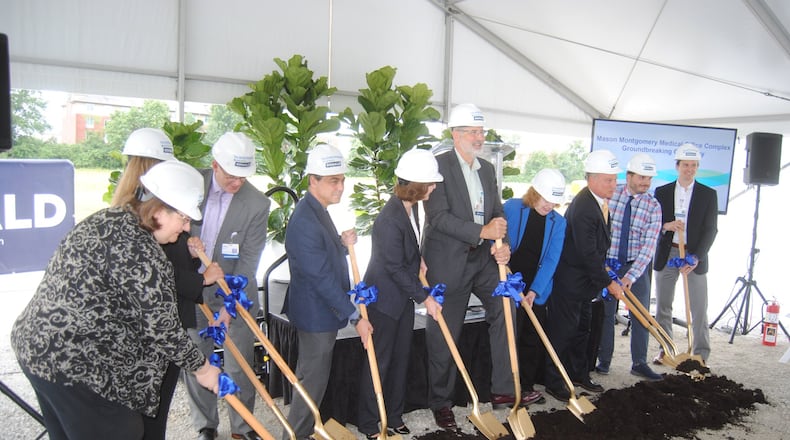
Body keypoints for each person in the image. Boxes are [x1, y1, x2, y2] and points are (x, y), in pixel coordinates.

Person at [11, 160, 221, 440]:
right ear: (159, 209)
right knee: (121, 430)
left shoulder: (109, 218)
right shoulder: (140, 249)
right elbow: (161, 327)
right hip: (74, 361)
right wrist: (203, 368)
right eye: (184, 218)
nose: (185, 229)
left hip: (38, 346)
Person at [111, 127, 227, 440]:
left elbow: (172, 257)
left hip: (167, 316)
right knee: (146, 410)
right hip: (152, 326)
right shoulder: (138, 222)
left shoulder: (136, 213)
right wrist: (202, 367)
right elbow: (153, 288)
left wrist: (190, 251)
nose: (186, 225)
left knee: (153, 405)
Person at [422, 103, 522, 430]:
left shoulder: (486, 170)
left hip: (483, 259)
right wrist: (481, 231)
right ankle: (441, 402)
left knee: (506, 306)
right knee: (444, 331)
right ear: (456, 134)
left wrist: (501, 244)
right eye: (473, 132)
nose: (480, 138)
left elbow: (497, 213)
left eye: (481, 132)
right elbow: (437, 219)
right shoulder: (438, 167)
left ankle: (504, 390)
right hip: (448, 260)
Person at [184, 132, 271, 440]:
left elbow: (249, 261)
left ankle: (243, 426)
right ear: (215, 165)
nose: (238, 184)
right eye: (232, 177)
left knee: (239, 366)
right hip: (193, 292)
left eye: (244, 178)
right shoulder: (190, 184)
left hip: (235, 292)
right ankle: (205, 426)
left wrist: (232, 305)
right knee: (198, 361)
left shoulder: (257, 204)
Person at [283, 143, 373, 440]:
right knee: (312, 382)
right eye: (334, 180)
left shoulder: (315, 209)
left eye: (342, 179)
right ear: (313, 180)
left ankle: (302, 431)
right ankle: (295, 435)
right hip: (316, 313)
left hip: (317, 309)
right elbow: (320, 278)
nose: (341, 186)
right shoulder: (306, 219)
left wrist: (339, 242)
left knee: (312, 378)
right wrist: (355, 317)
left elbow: (319, 253)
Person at [357, 148, 444, 439]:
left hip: (402, 298)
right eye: (430, 184)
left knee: (400, 358)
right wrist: (426, 298)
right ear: (415, 184)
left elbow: (406, 253)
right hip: (383, 300)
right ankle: (370, 423)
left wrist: (416, 257)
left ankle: (393, 415)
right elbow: (392, 268)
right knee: (379, 363)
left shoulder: (413, 207)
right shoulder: (388, 218)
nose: (433, 188)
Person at [542, 150, 624, 402]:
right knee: (563, 331)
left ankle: (578, 373)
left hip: (586, 283)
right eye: (608, 180)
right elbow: (587, 254)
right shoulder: (585, 207)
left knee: (582, 330)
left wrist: (604, 274)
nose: (614, 185)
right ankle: (554, 381)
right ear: (592, 179)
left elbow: (596, 249)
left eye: (614, 179)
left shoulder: (598, 202)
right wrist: (609, 283)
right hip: (571, 282)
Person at [595, 153, 663, 381]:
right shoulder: (610, 195)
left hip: (636, 267)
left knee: (640, 313)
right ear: (629, 175)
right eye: (642, 177)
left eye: (650, 178)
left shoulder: (653, 206)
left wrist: (631, 276)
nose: (646, 182)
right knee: (605, 314)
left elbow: (649, 245)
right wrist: (603, 268)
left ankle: (639, 363)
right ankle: (603, 361)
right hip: (608, 266)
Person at [503, 168, 567, 403]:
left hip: (535, 287)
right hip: (508, 281)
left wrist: (534, 291)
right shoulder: (512, 208)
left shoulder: (558, 223)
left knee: (532, 336)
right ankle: (506, 386)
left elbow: (552, 259)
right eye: (545, 199)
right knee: (511, 334)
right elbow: (498, 242)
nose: (550, 205)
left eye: (554, 201)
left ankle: (526, 385)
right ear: (534, 192)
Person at [653, 143, 718, 364]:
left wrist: (696, 256)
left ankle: (700, 354)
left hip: (694, 256)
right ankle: (666, 350)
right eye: (685, 165)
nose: (689, 169)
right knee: (663, 306)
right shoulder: (661, 192)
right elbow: (654, 224)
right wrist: (666, 226)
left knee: (699, 308)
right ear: (677, 166)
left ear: (697, 167)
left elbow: (711, 229)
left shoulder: (708, 194)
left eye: (693, 165)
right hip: (669, 253)